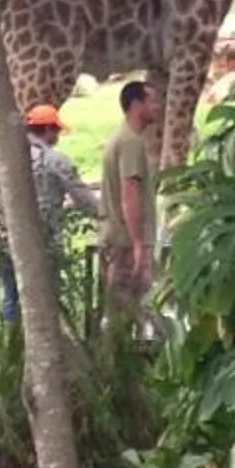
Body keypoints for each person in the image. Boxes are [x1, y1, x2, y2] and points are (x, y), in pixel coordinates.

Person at [0, 101, 100, 319]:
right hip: (44, 240)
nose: (58, 136)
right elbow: (84, 199)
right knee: (44, 301)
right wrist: (108, 214)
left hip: (6, 238)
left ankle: (10, 345)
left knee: (12, 299)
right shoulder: (55, 161)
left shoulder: (6, 157)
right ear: (47, 130)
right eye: (56, 130)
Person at [99, 78, 161, 317]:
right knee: (133, 312)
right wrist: (138, 245)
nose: (157, 106)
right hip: (124, 243)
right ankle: (137, 354)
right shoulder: (130, 143)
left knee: (122, 311)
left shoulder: (121, 138)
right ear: (136, 104)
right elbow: (130, 194)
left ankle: (121, 353)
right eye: (152, 101)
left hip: (116, 239)